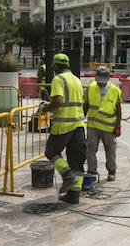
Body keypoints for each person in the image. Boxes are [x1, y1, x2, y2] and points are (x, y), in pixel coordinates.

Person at [42, 52, 86, 203]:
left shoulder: (58, 79)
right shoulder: (76, 80)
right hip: (78, 125)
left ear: (55, 65)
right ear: (68, 65)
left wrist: (45, 109)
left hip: (63, 125)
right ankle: (74, 196)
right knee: (76, 160)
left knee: (51, 151)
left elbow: (58, 101)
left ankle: (67, 176)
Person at [84, 65, 122, 182]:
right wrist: (81, 119)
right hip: (93, 125)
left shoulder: (115, 91)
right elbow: (86, 105)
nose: (100, 83)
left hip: (108, 127)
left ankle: (111, 170)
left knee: (110, 150)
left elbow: (118, 109)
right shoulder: (91, 87)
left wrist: (118, 126)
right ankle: (92, 172)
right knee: (90, 149)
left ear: (108, 78)